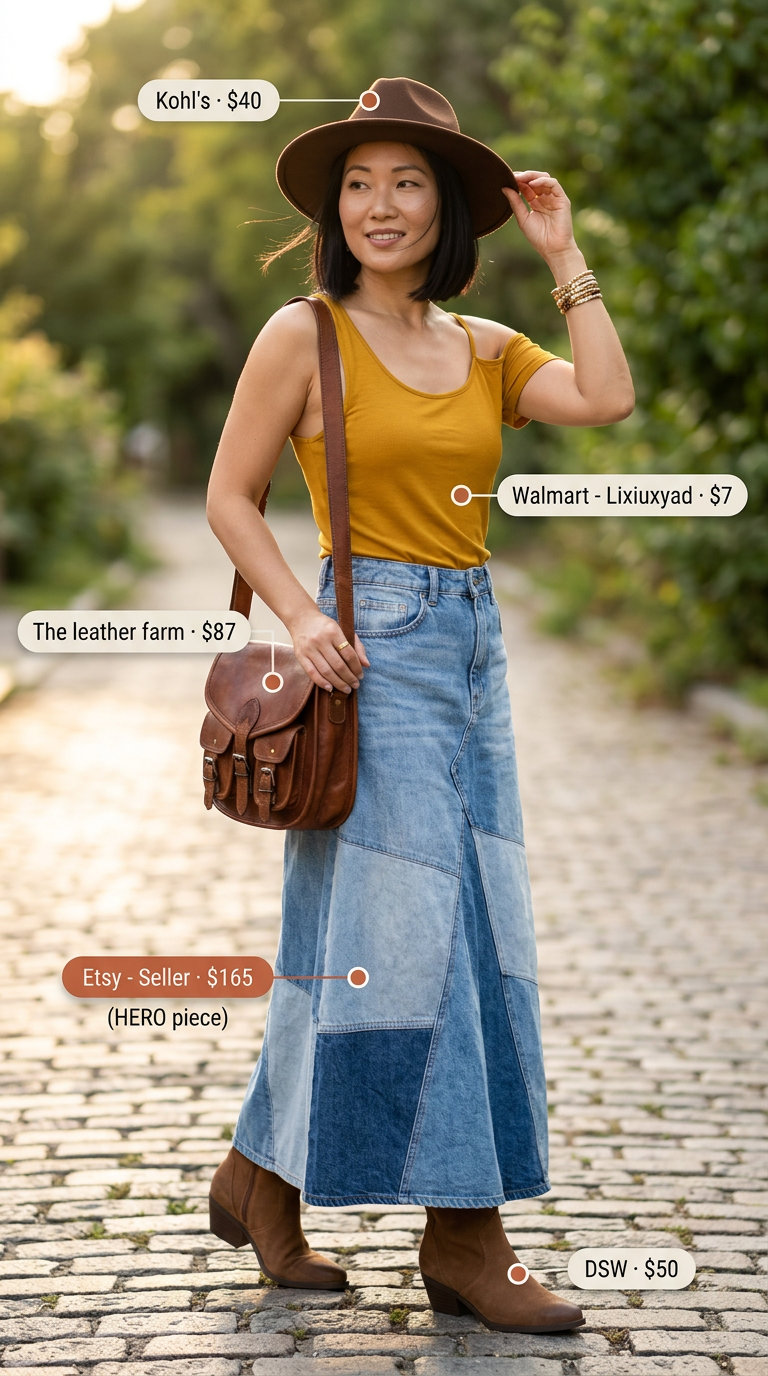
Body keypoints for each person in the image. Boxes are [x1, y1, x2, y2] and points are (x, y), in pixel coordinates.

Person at [206, 77, 634, 1334]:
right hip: (365, 645)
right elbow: (232, 497)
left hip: (472, 643)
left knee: (432, 930)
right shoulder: (304, 335)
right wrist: (304, 612)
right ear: (335, 208)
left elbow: (606, 399)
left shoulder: (486, 348)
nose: (380, 205)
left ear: (447, 206)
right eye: (359, 182)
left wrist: (566, 255)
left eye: (407, 182)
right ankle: (465, 1235)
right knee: (421, 945)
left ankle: (257, 1177)